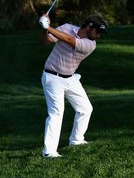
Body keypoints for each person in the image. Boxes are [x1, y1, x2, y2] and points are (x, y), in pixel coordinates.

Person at [38, 13, 108, 158]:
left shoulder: (90, 45)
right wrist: (45, 29)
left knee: (85, 109)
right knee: (56, 113)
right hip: (52, 77)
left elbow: (70, 40)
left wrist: (49, 27)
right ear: (89, 26)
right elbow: (44, 42)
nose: (99, 35)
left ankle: (76, 140)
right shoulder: (67, 27)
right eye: (98, 31)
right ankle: (49, 151)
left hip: (71, 79)